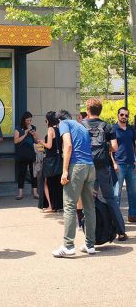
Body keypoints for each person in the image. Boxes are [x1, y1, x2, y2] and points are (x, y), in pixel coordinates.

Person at [52, 110, 96, 257]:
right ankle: (90, 245)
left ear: (58, 121)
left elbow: (68, 146)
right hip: (90, 166)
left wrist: (64, 171)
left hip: (76, 167)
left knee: (70, 205)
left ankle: (68, 246)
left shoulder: (63, 124)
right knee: (89, 207)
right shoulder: (81, 126)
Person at [82, 98, 127, 241]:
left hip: (87, 166)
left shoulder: (82, 125)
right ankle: (121, 231)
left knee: (88, 199)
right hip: (102, 166)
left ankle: (91, 233)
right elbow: (115, 147)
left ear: (88, 110)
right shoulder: (107, 126)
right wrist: (104, 148)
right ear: (100, 110)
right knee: (110, 198)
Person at [113, 107, 136, 223]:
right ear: (118, 115)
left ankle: (132, 215)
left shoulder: (131, 129)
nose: (124, 117)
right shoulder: (113, 129)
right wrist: (113, 163)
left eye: (126, 115)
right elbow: (109, 148)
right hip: (119, 165)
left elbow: (134, 144)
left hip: (131, 164)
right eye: (122, 115)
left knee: (133, 192)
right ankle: (117, 220)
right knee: (116, 193)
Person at [37, 111, 63, 212]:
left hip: (50, 160)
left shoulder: (50, 129)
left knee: (45, 182)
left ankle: (50, 206)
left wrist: (42, 142)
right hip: (58, 159)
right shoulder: (59, 129)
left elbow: (49, 146)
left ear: (48, 120)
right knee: (57, 183)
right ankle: (58, 205)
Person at [14, 111, 39, 200]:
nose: (29, 122)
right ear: (24, 120)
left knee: (33, 173)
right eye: (28, 120)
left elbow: (36, 141)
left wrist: (34, 134)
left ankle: (35, 192)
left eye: (30, 120)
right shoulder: (18, 128)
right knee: (22, 173)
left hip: (31, 153)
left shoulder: (33, 128)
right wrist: (25, 134)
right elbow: (16, 141)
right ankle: (20, 193)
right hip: (22, 153)